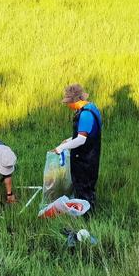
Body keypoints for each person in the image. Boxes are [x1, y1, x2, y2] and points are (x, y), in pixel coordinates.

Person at [52, 84, 102, 212]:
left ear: (74, 101)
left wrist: (61, 148)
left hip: (85, 158)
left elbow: (81, 139)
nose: (68, 106)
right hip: (91, 155)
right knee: (88, 187)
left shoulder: (85, 114)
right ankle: (88, 211)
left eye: (68, 102)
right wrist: (69, 140)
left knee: (83, 187)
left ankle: (86, 216)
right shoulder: (92, 107)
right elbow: (87, 133)